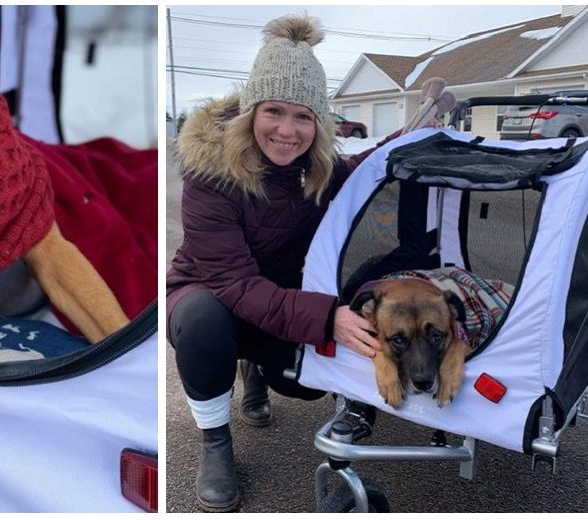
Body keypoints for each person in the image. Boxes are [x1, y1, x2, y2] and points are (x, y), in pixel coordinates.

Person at [166, 14, 409, 511]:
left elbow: (359, 173)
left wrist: (407, 138)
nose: (287, 130)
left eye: (303, 116)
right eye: (274, 111)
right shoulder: (209, 176)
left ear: (318, 122)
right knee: (204, 324)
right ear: (250, 111)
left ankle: (256, 370)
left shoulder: (315, 170)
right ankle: (215, 441)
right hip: (212, 294)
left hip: (279, 298)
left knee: (297, 387)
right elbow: (233, 284)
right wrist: (325, 319)